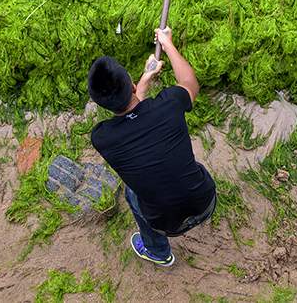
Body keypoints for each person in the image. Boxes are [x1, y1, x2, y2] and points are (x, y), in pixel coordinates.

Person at [87, 27, 216, 267]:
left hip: (166, 223)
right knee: (173, 161)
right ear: (132, 86)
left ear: (102, 104)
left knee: (132, 191)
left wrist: (144, 81)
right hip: (205, 201)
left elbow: (131, 117)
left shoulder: (102, 137)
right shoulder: (169, 104)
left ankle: (158, 251)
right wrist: (167, 45)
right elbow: (189, 83)